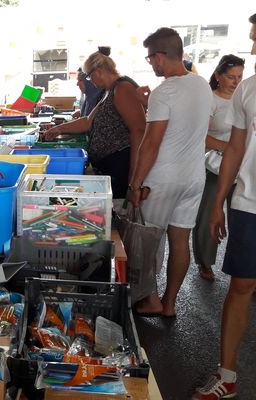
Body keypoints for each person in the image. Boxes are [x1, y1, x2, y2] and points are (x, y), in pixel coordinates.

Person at [192, 13, 256, 400]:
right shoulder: (249, 89)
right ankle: (227, 376)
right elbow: (235, 148)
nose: (252, 46)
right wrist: (218, 202)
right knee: (242, 285)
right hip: (249, 202)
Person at [128, 27, 212, 317]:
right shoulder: (201, 85)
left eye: (151, 58)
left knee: (148, 241)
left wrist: (136, 183)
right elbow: (186, 123)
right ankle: (170, 303)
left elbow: (151, 143)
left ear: (161, 56)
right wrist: (146, 103)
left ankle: (150, 298)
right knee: (180, 241)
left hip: (163, 178)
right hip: (193, 176)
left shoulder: (165, 92)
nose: (151, 63)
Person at [45, 51, 146, 198]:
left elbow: (138, 130)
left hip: (121, 167)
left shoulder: (123, 88)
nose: (90, 81)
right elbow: (87, 121)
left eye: (89, 76)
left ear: (99, 71)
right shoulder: (108, 91)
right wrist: (59, 128)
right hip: (109, 168)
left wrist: (134, 178)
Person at [192, 54, 244, 282]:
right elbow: (200, 135)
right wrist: (228, 147)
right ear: (218, 76)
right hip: (212, 165)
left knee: (242, 217)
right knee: (208, 215)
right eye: (231, 77)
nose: (236, 81)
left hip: (241, 167)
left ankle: (244, 266)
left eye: (239, 77)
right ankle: (205, 262)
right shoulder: (210, 101)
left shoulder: (244, 100)